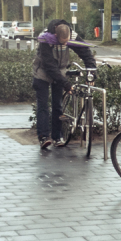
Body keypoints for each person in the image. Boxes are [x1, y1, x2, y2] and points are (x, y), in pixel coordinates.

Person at [33, 21, 97, 150]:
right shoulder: (45, 38)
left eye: (67, 42)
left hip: (60, 72)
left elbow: (85, 52)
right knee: (43, 105)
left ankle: (57, 137)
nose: (65, 45)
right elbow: (49, 65)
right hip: (42, 73)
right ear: (56, 35)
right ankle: (44, 137)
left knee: (58, 105)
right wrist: (66, 84)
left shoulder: (72, 35)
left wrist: (91, 73)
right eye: (62, 43)